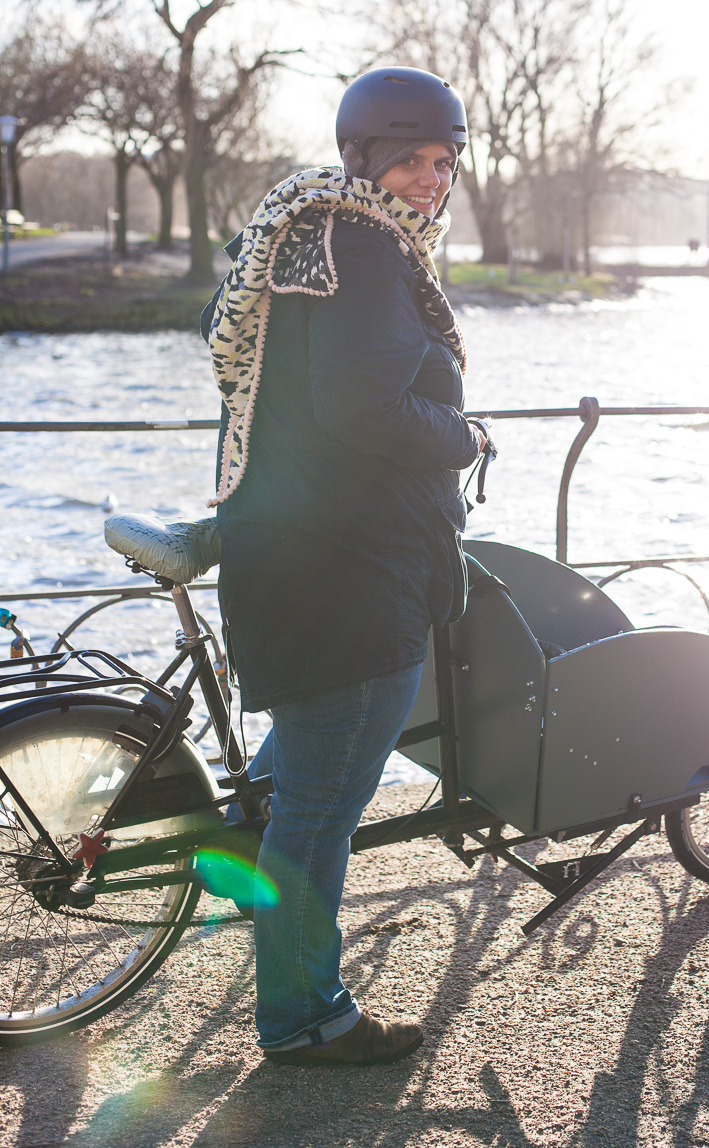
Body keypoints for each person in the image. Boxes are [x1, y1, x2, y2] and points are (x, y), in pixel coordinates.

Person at [204, 67, 489, 1066]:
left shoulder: (298, 232)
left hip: (294, 551)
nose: (429, 179)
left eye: (443, 160)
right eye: (410, 158)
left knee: (305, 779)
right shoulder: (364, 249)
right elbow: (359, 409)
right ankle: (302, 1016)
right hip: (350, 573)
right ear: (365, 159)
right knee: (323, 810)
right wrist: (461, 435)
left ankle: (248, 856)